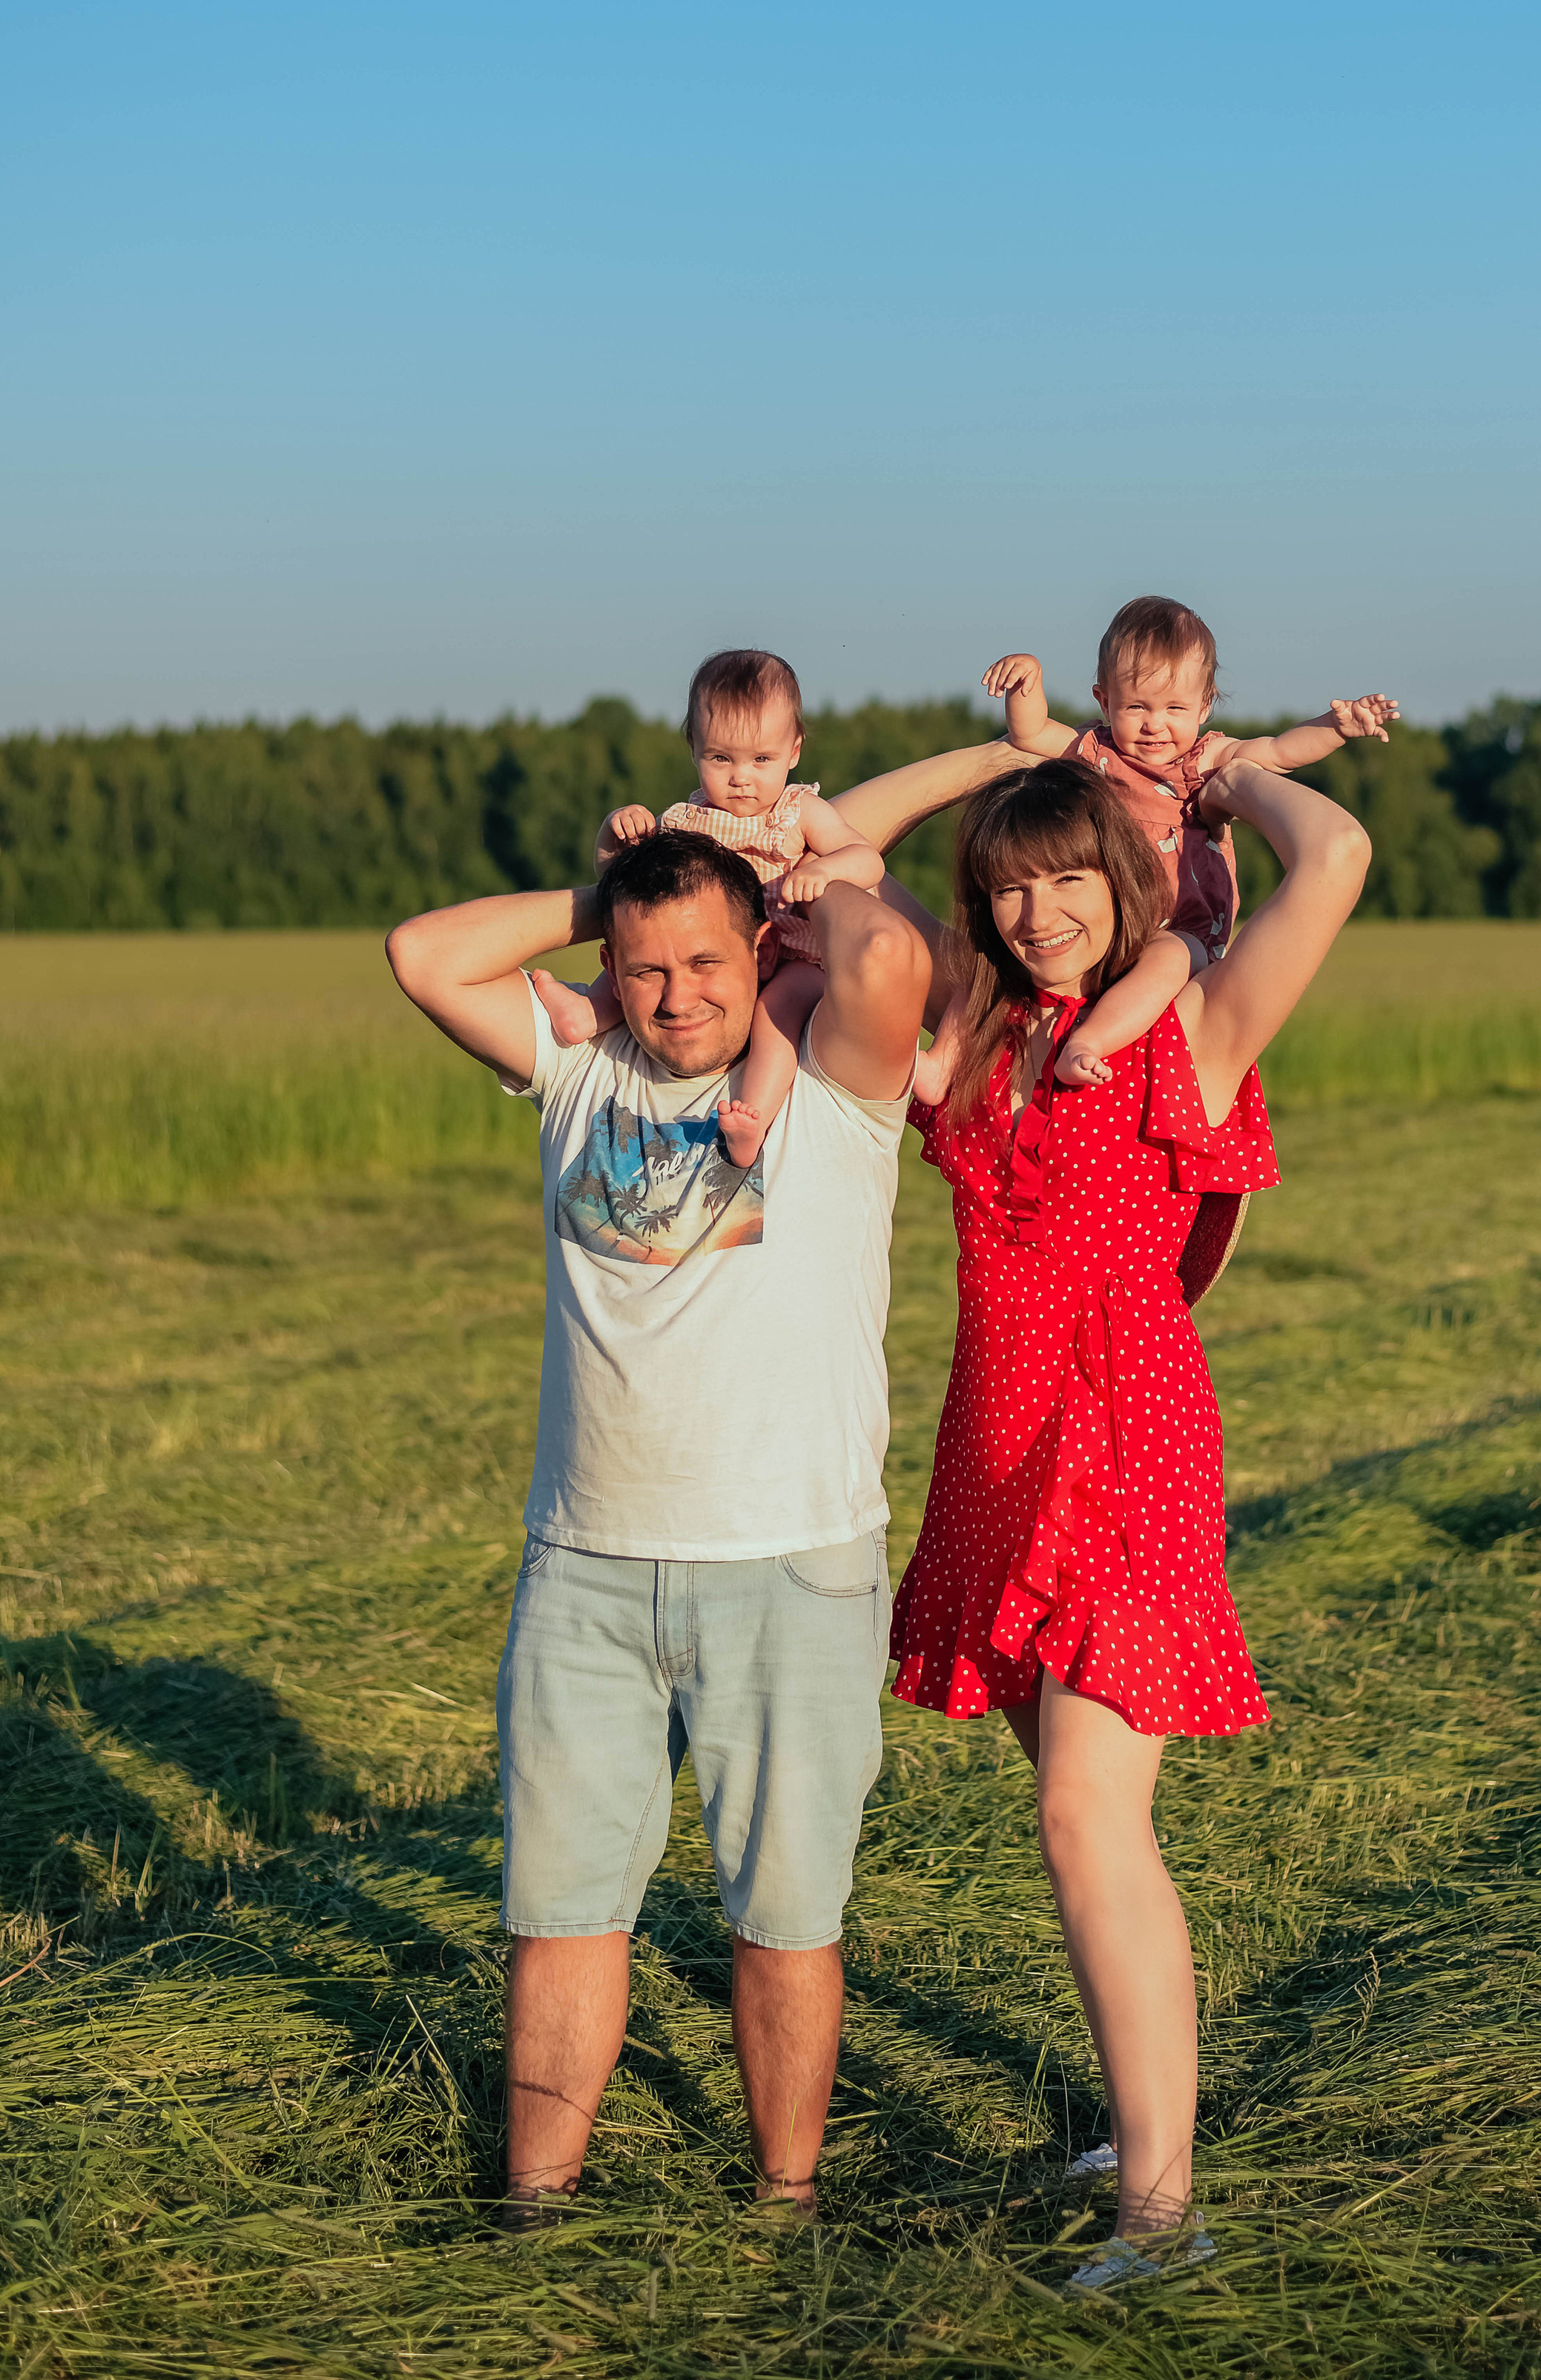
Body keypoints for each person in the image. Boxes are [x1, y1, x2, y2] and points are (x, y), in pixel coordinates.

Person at [383, 729, 1019, 2225]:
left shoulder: (838, 1083)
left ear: (762, 951)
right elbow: (421, 954)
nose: (677, 999)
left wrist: (793, 874)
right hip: (585, 1572)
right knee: (559, 1911)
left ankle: (783, 2201)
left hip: (792, 1569)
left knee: (784, 1921)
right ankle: (535, 2205)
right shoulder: (577, 1066)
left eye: (708, 965)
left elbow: (886, 965)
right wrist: (608, 897)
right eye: (647, 968)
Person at [884, 746, 1370, 2290]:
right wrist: (757, 822)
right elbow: (836, 869)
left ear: (1125, 879)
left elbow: (1340, 853)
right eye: (1010, 883)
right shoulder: (976, 1029)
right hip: (994, 1439)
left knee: (1083, 1816)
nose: (1036, 912)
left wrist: (1226, 784)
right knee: (1086, 1825)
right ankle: (1141, 2118)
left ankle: (1160, 2217)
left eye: (1068, 877)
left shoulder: (1194, 1024)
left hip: (1124, 1438)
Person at [912, 593, 1394, 1104]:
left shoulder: (1205, 760)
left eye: (1175, 708)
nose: (1154, 725)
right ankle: (941, 1066)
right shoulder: (1096, 752)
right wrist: (1028, 678)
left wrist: (1336, 728)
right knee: (993, 960)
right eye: (1136, 706)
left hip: (1178, 930)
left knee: (1164, 959)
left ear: (1205, 705)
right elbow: (1029, 732)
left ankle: (1089, 1044)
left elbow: (1278, 752)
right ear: (1104, 701)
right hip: (1103, 926)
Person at [529, 649, 885, 1171]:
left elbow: (867, 859)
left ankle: (753, 1120)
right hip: (711, 959)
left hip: (793, 959)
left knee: (776, 1014)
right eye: (722, 759)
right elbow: (625, 886)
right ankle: (586, 1015)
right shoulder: (687, 820)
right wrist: (614, 831)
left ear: (794, 750)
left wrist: (825, 871)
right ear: (694, 749)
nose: (742, 778)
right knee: (647, 955)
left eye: (762, 760)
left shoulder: (799, 812)